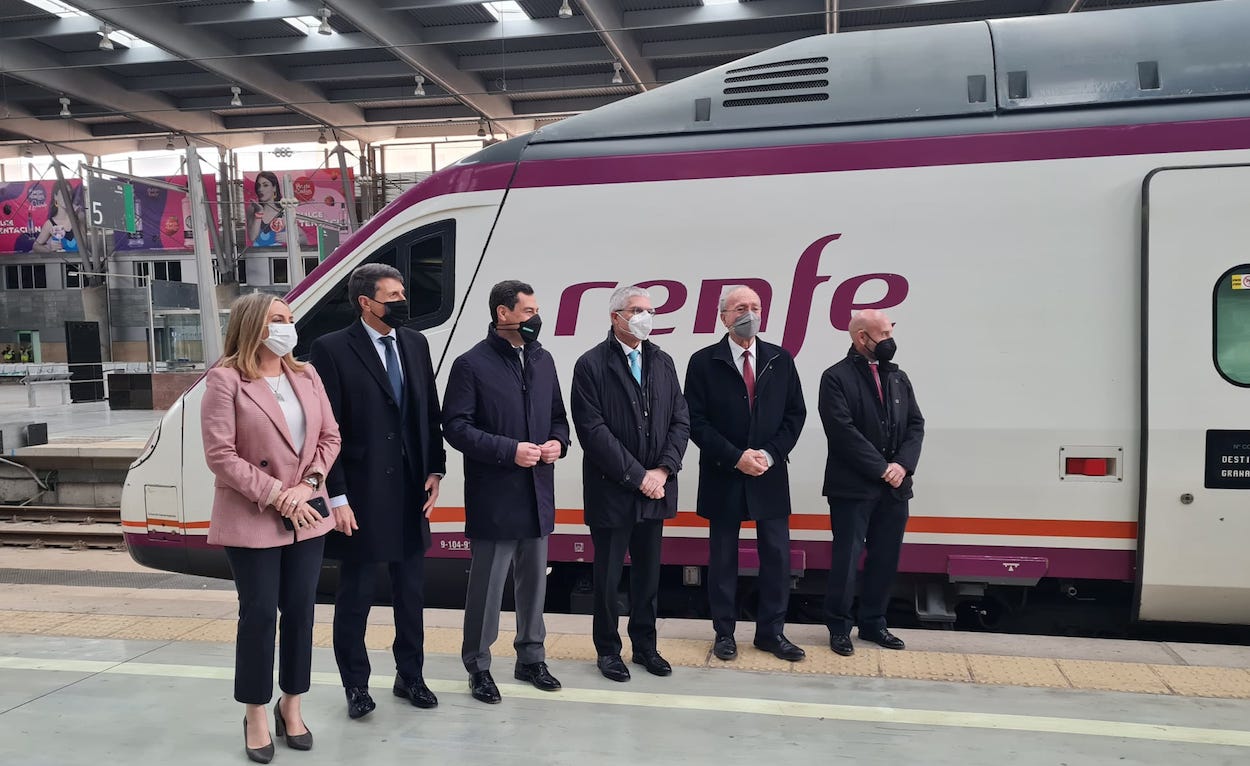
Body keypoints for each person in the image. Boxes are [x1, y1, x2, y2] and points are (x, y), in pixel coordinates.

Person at [200, 292, 341, 763]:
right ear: (253, 326)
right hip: (255, 514)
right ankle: (256, 712)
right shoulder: (225, 381)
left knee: (301, 612)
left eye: (289, 319)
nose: (287, 327)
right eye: (278, 319)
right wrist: (279, 494)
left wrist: (310, 484)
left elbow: (330, 436)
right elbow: (221, 456)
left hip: (307, 514)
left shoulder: (306, 373)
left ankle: (292, 704)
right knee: (259, 616)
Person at [309, 264, 447, 720]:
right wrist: (338, 497)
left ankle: (411, 675)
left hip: (410, 489)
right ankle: (356, 684)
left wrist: (435, 469)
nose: (402, 301)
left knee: (411, 591)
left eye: (402, 292)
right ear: (366, 303)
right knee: (357, 595)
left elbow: (429, 408)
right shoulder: (331, 349)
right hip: (362, 493)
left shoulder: (415, 342)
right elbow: (326, 430)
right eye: (392, 295)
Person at [443, 280, 569, 704]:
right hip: (495, 493)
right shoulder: (470, 364)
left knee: (535, 583)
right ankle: (478, 666)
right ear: (503, 313)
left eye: (536, 310)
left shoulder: (543, 360)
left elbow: (559, 417)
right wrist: (508, 450)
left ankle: (531, 657)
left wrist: (558, 443)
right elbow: (456, 427)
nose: (536, 318)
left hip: (537, 491)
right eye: (528, 311)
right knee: (488, 587)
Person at [571, 285, 690, 682]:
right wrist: (639, 476)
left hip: (656, 489)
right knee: (607, 578)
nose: (644, 317)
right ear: (615, 317)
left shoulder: (663, 361)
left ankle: (645, 647)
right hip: (613, 490)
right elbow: (593, 430)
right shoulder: (591, 365)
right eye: (636, 310)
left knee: (648, 576)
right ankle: (608, 651)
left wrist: (664, 471)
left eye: (649, 310)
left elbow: (680, 420)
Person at [684, 286, 807, 663]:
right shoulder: (704, 361)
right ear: (723, 316)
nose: (748, 313)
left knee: (777, 556)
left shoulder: (779, 359)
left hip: (769, 474)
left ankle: (772, 633)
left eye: (755, 307)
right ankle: (724, 633)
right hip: (724, 473)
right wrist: (736, 457)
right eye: (740, 308)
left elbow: (794, 415)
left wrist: (769, 454)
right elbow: (695, 421)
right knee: (723, 559)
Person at [818, 308, 924, 656]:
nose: (890, 342)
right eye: (884, 335)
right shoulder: (835, 378)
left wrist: (903, 466)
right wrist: (882, 468)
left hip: (895, 487)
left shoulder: (899, 377)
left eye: (891, 334)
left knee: (885, 556)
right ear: (862, 337)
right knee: (847, 558)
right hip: (852, 487)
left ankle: (874, 623)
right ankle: (839, 627)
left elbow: (915, 425)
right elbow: (842, 431)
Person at [33, 184, 81, 253]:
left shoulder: (78, 218)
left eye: (69, 193)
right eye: (63, 193)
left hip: (80, 262)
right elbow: (35, 246)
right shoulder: (50, 224)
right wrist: (49, 249)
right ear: (55, 196)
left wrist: (76, 215)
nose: (66, 197)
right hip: (59, 262)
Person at [247, 171, 285, 248]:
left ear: (274, 188)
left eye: (265, 185)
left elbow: (303, 238)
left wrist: (290, 237)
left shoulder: (284, 212)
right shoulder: (252, 209)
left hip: (281, 256)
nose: (260, 189)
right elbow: (252, 237)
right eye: (258, 186)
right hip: (259, 256)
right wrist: (259, 212)